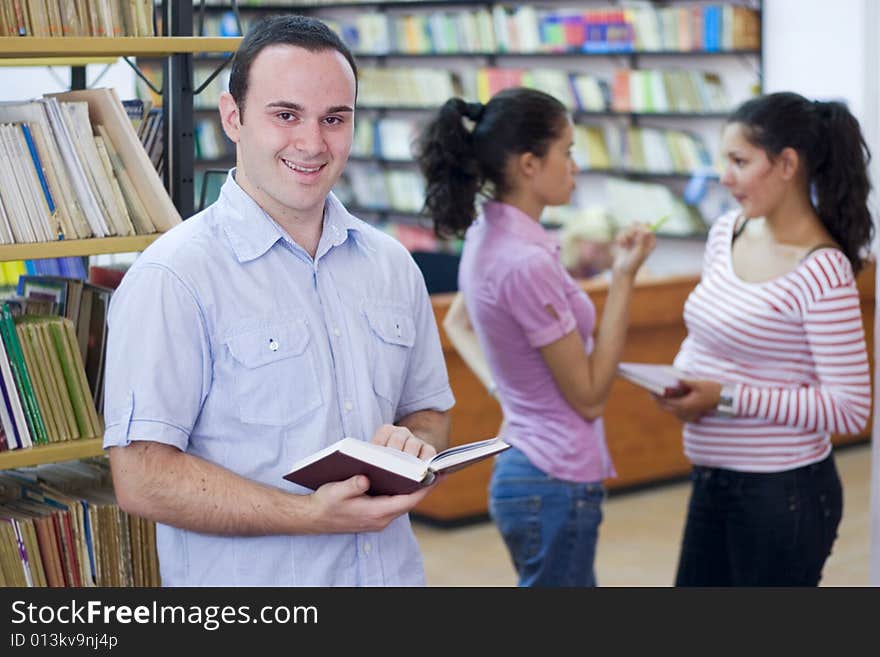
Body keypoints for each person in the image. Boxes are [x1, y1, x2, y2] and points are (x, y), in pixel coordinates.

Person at [102, 15, 454, 586]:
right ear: (233, 118)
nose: (313, 143)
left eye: (334, 119)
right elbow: (142, 475)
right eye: (286, 115)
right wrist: (310, 516)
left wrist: (412, 447)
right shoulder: (174, 277)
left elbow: (430, 414)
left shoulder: (392, 265)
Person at [416, 88, 655, 586]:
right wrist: (625, 278)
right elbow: (589, 397)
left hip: (531, 467)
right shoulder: (524, 261)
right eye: (566, 151)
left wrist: (509, 390)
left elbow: (460, 322)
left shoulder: (490, 233)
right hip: (554, 477)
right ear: (529, 164)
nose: (574, 166)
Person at [654, 91, 873, 586]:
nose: (724, 178)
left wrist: (724, 398)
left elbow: (850, 407)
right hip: (712, 477)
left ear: (787, 164)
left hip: (782, 494)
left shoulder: (822, 271)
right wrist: (683, 387)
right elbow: (713, 340)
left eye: (739, 161)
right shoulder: (726, 232)